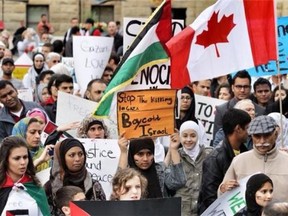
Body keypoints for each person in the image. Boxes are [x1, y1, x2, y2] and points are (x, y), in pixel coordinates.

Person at [219, 115, 288, 202]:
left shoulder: (286, 160)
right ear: (251, 136)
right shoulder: (239, 161)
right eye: (257, 136)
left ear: (276, 134)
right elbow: (223, 197)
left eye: (266, 135)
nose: (262, 141)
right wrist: (223, 188)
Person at [197, 109, 251, 214]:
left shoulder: (245, 153)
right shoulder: (215, 158)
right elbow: (209, 197)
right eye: (247, 128)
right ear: (238, 129)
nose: (249, 133)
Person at [44, 138, 106, 215]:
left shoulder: (94, 186)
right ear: (62, 158)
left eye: (80, 154)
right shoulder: (50, 188)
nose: (77, 159)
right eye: (72, 155)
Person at [166, 120, 212, 216]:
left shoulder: (209, 154)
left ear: (198, 136)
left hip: (203, 209)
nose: (188, 139)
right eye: (185, 136)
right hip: (182, 211)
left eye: (193, 135)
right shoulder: (175, 154)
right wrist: (173, 150)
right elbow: (171, 185)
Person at [118, 135, 186, 198]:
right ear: (132, 155)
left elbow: (178, 182)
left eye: (149, 154)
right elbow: (118, 183)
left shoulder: (160, 171)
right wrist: (123, 152)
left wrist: (174, 149)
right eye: (140, 154)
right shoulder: (128, 175)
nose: (145, 159)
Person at [0, 136, 50, 215]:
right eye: (17, 158)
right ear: (6, 160)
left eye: (25, 157)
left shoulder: (36, 188)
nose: (23, 162)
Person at [213, 70, 265, 137]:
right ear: (232, 87)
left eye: (245, 87)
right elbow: (217, 139)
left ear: (250, 88)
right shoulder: (221, 110)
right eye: (239, 86)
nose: (242, 90)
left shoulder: (260, 111)